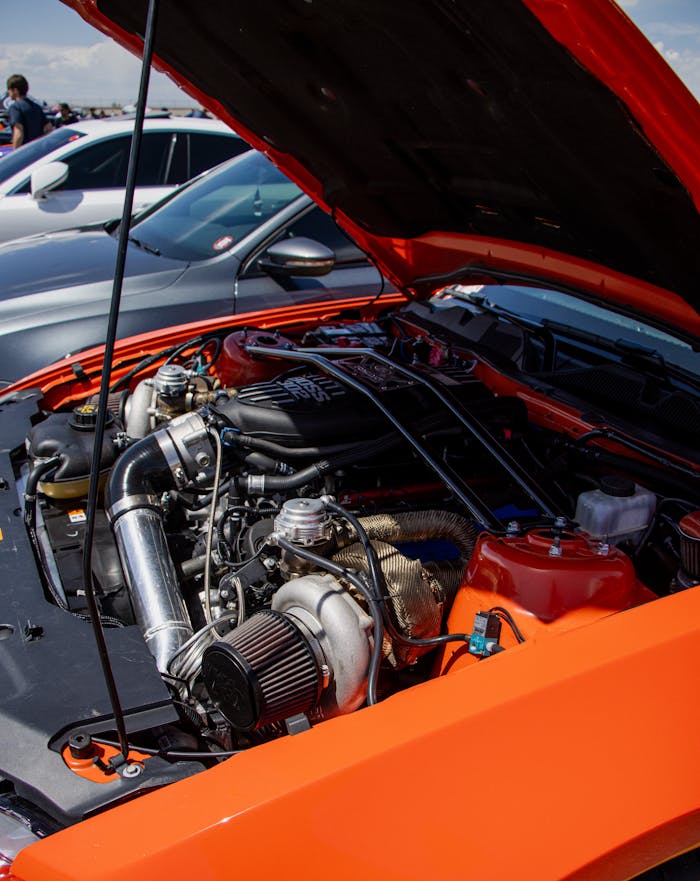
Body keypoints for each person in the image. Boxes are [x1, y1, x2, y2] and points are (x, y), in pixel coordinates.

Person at [5, 74, 50, 148]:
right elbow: (48, 128)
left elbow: (18, 132)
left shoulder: (15, 108)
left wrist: (15, 151)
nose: (8, 93)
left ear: (15, 90)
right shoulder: (37, 107)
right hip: (38, 149)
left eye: (9, 90)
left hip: (25, 150)